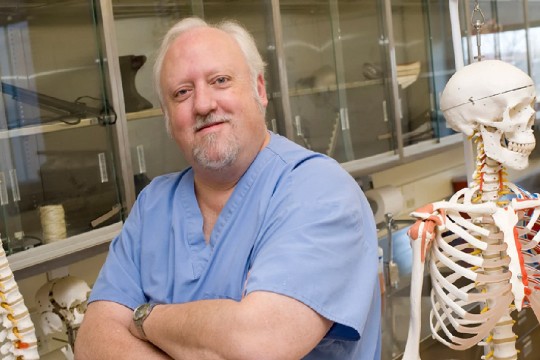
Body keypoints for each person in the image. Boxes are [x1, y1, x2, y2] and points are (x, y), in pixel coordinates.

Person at [75, 17, 381, 360]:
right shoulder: (153, 207)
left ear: (259, 90)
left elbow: (259, 344)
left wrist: (145, 319)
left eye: (220, 80)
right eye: (182, 93)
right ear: (167, 116)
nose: (203, 105)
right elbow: (93, 342)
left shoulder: (318, 190)